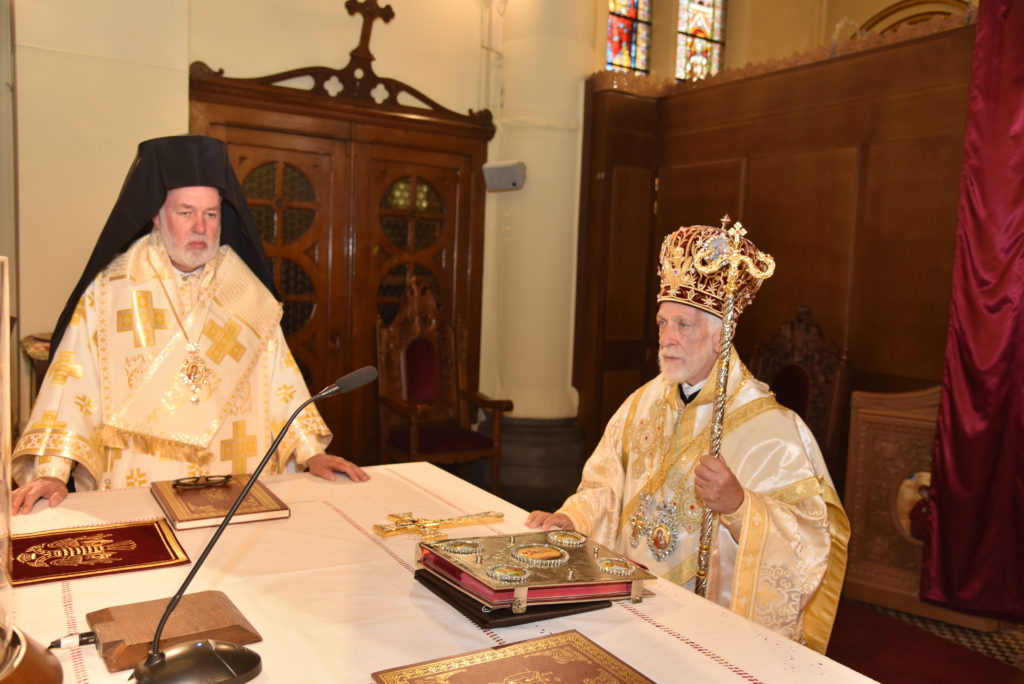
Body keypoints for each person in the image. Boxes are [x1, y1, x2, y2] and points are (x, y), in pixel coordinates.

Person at [526, 224, 849, 653]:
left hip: (707, 625)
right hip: (626, 602)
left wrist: (740, 506)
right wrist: (575, 520)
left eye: (683, 324)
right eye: (662, 323)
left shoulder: (772, 430)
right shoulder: (642, 403)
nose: (667, 338)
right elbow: (606, 485)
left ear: (721, 335)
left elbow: (811, 537)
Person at [12, 135, 369, 514]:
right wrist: (52, 472)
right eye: (185, 213)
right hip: (141, 487)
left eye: (211, 214)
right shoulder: (111, 290)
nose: (200, 227)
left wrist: (311, 452)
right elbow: (72, 384)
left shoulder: (246, 291)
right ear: (156, 216)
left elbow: (280, 382)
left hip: (236, 482)